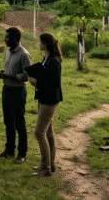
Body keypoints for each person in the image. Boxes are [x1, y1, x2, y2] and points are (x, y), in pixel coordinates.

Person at [24, 32, 63, 177]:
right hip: (43, 99)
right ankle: (50, 164)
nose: (38, 44)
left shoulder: (53, 61)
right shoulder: (46, 58)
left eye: (39, 42)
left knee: (39, 132)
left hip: (50, 100)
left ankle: (45, 167)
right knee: (48, 133)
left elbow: (55, 83)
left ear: (45, 44)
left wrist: (37, 82)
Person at [0, 27, 32, 164]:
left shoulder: (24, 54)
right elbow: (11, 70)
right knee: (8, 122)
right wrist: (1, 73)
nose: (5, 39)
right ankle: (9, 151)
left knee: (20, 124)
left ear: (15, 39)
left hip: (18, 92)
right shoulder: (8, 52)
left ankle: (22, 154)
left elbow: (26, 77)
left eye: (7, 37)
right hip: (6, 90)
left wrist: (5, 75)